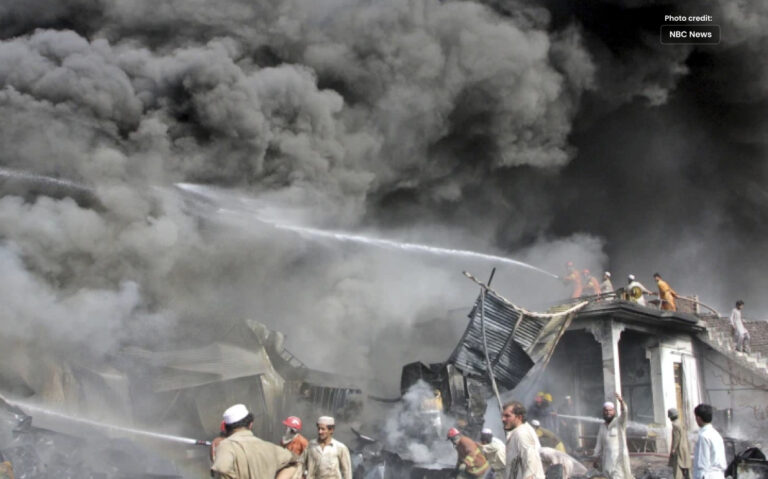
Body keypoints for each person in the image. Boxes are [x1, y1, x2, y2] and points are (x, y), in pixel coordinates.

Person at [211, 404, 298, 479]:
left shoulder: (225, 445)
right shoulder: (271, 448)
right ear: (250, 424)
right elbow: (296, 462)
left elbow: (221, 468)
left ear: (226, 428)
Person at [593, 394, 633, 479]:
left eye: (610, 411)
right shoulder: (602, 427)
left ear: (614, 411)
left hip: (618, 462)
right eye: (606, 411)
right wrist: (595, 457)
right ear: (603, 412)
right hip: (606, 462)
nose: (608, 413)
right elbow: (599, 444)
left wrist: (621, 402)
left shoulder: (620, 423)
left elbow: (624, 413)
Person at [501, 401, 545, 479]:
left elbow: (531, 461)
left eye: (507, 416)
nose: (503, 419)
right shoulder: (520, 431)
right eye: (503, 416)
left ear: (519, 417)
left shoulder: (521, 434)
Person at [693, 404, 726, 479]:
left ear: (698, 418)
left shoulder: (704, 436)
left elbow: (703, 464)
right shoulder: (716, 434)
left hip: (708, 475)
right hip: (719, 475)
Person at [667, 408, 691, 479]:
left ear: (671, 417)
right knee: (687, 467)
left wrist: (673, 449)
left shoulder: (675, 425)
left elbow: (676, 438)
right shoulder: (681, 423)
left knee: (678, 469)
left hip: (679, 449)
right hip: (685, 448)